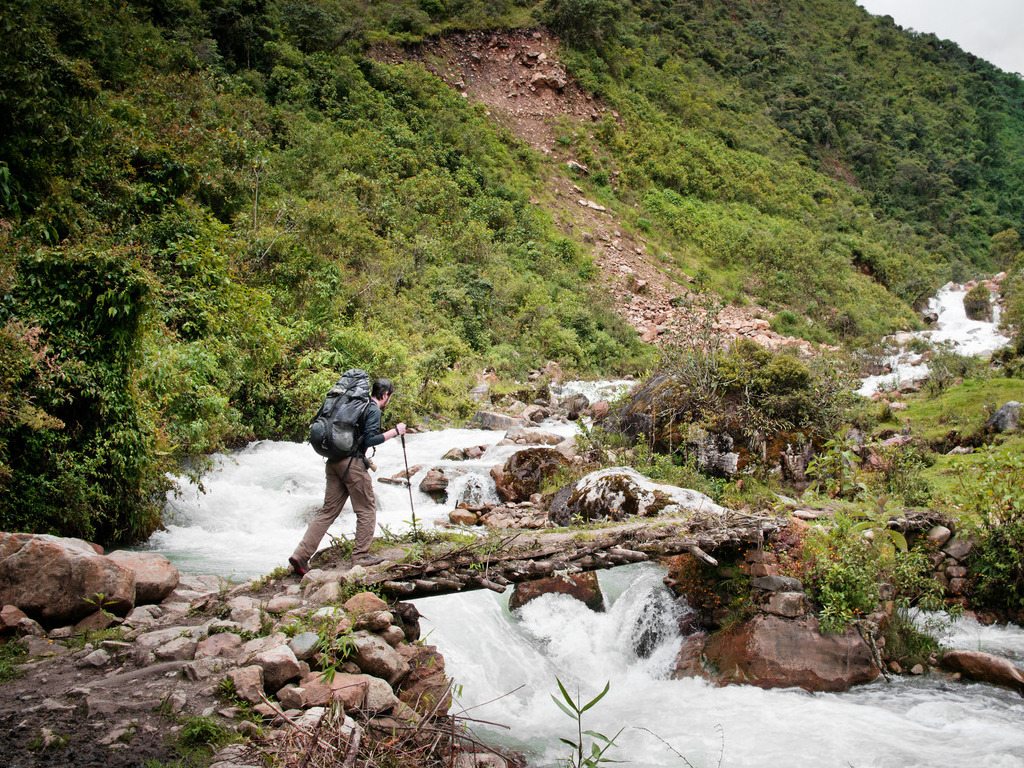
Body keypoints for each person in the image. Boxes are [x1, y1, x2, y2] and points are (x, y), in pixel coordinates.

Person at [289, 378, 406, 575]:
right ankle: (360, 556)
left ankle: (300, 555)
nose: (389, 400)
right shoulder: (373, 410)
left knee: (328, 511)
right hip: (352, 465)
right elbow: (369, 439)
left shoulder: (353, 406)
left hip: (333, 462)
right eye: (390, 397)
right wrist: (395, 431)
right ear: (385, 394)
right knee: (367, 509)